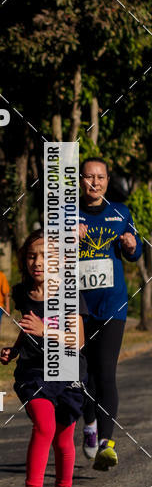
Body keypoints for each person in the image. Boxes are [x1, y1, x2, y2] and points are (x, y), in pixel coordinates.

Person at [1, 229, 88, 487]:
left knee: (63, 439)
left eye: (45, 256)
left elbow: (78, 340)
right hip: (34, 372)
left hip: (67, 369)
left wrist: (44, 330)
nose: (37, 262)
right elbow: (28, 327)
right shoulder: (22, 292)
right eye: (31, 256)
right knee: (44, 425)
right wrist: (15, 349)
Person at [79, 157, 142, 470]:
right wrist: (66, 239)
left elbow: (136, 252)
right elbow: (45, 253)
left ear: (107, 180)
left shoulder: (121, 212)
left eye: (100, 177)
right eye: (89, 176)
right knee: (83, 375)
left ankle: (106, 442)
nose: (95, 182)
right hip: (77, 307)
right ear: (80, 180)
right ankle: (89, 424)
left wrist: (131, 245)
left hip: (112, 305)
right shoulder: (66, 214)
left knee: (105, 372)